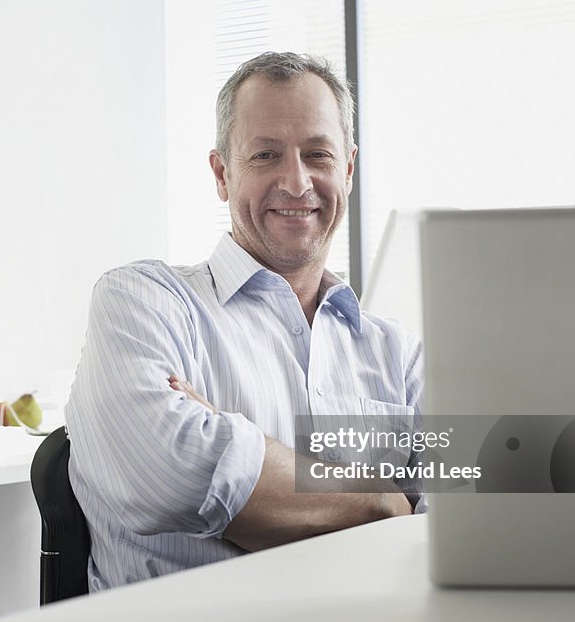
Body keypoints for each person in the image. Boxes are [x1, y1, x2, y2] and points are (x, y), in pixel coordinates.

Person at [64, 52, 422, 591]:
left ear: (347, 170)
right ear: (222, 173)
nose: (297, 182)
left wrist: (242, 460)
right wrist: (379, 500)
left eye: (318, 155)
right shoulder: (144, 303)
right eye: (266, 155)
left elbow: (460, 525)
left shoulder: (398, 352)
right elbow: (170, 478)